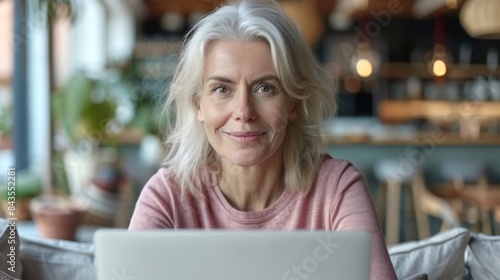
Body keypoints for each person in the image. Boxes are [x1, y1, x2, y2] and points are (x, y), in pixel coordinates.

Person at [129, 0, 397, 278]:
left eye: (265, 88)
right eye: (222, 89)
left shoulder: (336, 189)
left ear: (293, 103)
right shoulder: (167, 196)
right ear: (198, 104)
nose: (244, 112)